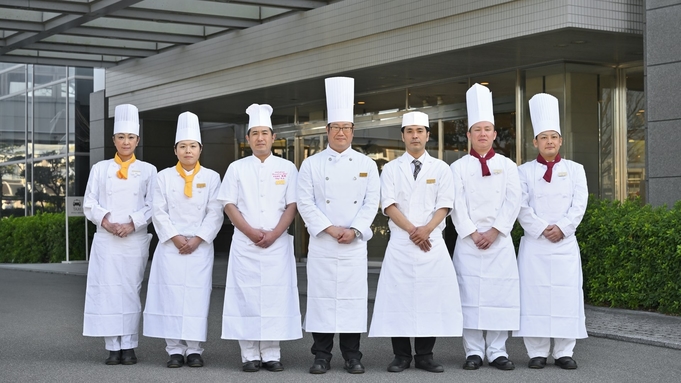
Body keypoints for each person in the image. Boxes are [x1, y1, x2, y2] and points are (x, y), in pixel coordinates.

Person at [369, 111, 463, 373]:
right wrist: (414, 231)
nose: (415, 136)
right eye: (409, 131)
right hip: (402, 243)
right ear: (402, 136)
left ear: (428, 135)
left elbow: (445, 204)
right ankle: (401, 356)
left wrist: (427, 230)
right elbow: (388, 205)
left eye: (420, 131)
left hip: (431, 244)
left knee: (429, 299)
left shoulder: (441, 169)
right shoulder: (390, 168)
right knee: (398, 299)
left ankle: (425, 355)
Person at [297, 77, 380, 375]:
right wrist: (331, 229)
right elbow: (305, 202)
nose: (341, 132)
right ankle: (321, 355)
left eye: (347, 128)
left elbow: (373, 202)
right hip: (323, 243)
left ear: (353, 131)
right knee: (321, 299)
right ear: (328, 131)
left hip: (354, 245)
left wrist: (355, 229)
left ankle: (352, 355)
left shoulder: (367, 164)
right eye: (336, 128)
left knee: (351, 301)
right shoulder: (311, 164)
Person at [219, 104, 302, 373]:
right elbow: (229, 204)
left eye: (264, 132)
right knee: (247, 297)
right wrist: (251, 232)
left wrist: (275, 233)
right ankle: (249, 354)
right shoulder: (236, 168)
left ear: (273, 136)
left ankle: (271, 353)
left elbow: (292, 205)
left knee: (275, 297)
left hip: (277, 244)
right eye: (254, 133)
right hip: (246, 244)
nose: (260, 138)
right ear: (247, 139)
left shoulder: (287, 167)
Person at [142, 111, 224, 368]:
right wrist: (176, 238)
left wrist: (198, 238)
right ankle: (174, 349)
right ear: (175, 150)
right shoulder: (163, 177)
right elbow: (158, 210)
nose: (188, 151)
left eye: (192, 146)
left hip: (200, 248)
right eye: (183, 146)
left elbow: (215, 212)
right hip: (171, 247)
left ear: (200, 149)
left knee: (197, 297)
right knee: (171, 295)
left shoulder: (212, 177)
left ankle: (195, 349)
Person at [513, 93, 588, 370]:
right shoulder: (523, 171)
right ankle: (537, 351)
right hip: (535, 244)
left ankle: (564, 351)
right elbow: (520, 206)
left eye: (553, 137)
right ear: (535, 142)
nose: (549, 142)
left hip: (565, 244)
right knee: (534, 294)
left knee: (566, 294)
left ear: (560, 141)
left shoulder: (576, 170)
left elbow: (579, 204)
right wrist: (543, 228)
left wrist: (563, 228)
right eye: (543, 137)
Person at [450, 83, 521, 371]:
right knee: (469, 295)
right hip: (468, 242)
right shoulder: (457, 167)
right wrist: (471, 232)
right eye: (476, 129)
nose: (482, 134)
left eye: (487, 129)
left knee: (499, 295)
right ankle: (473, 352)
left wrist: (495, 231)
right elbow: (456, 204)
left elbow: (513, 201)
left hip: (499, 241)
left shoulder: (508, 165)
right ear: (468, 134)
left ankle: (498, 350)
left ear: (494, 133)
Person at [83, 104, 157, 365]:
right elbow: (89, 201)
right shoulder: (100, 168)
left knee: (130, 290)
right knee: (107, 291)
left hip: (134, 239)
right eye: (121, 137)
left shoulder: (149, 170)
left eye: (131, 137)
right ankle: (112, 346)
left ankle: (129, 345)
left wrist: (132, 224)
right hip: (106, 238)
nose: (126, 142)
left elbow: (153, 205)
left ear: (138, 140)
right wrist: (106, 221)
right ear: (113, 139)